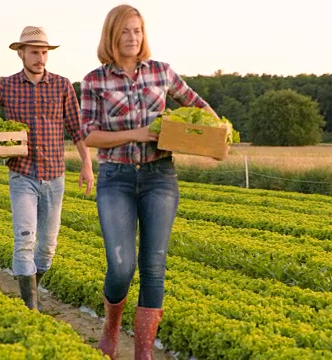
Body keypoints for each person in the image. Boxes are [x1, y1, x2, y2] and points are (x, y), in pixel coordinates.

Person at [80, 5, 226, 359]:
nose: (133, 38)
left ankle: (143, 351)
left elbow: (198, 105)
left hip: (160, 176)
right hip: (116, 178)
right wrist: (140, 132)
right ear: (111, 36)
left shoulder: (162, 72)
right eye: (125, 32)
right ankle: (112, 325)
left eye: (137, 31)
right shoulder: (94, 81)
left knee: (154, 264)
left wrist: (215, 132)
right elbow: (88, 135)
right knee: (121, 265)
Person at [0, 25, 94, 311]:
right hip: (22, 174)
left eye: (44, 52)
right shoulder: (6, 85)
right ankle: (30, 308)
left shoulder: (62, 85)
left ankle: (32, 289)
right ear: (21, 53)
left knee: (47, 248)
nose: (40, 58)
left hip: (55, 175)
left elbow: (77, 128)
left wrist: (86, 164)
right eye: (34, 52)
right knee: (24, 239)